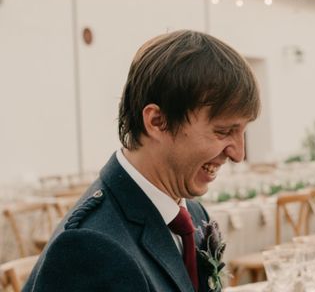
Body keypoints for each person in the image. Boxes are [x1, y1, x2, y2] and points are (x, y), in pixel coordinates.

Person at [24, 30, 260, 292]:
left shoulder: (192, 214)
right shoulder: (91, 249)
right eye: (223, 131)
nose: (238, 154)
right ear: (157, 122)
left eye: (243, 132)